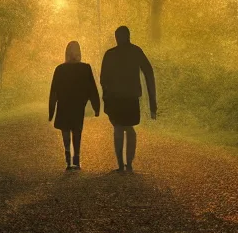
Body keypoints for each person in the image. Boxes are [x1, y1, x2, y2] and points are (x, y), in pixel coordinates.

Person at [101, 26, 157, 173]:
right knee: (129, 129)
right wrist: (152, 103)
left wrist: (106, 97)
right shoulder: (136, 52)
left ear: (117, 37)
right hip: (130, 97)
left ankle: (121, 164)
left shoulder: (110, 54)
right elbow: (149, 73)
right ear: (129, 36)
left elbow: (103, 79)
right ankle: (129, 164)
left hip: (116, 98)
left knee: (119, 128)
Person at [49, 41, 100, 170]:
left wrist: (51, 111)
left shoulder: (60, 69)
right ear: (79, 52)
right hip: (77, 106)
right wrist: (96, 106)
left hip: (64, 105)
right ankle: (76, 159)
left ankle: (68, 158)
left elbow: (54, 91)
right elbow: (92, 89)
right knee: (77, 132)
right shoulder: (85, 68)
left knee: (65, 131)